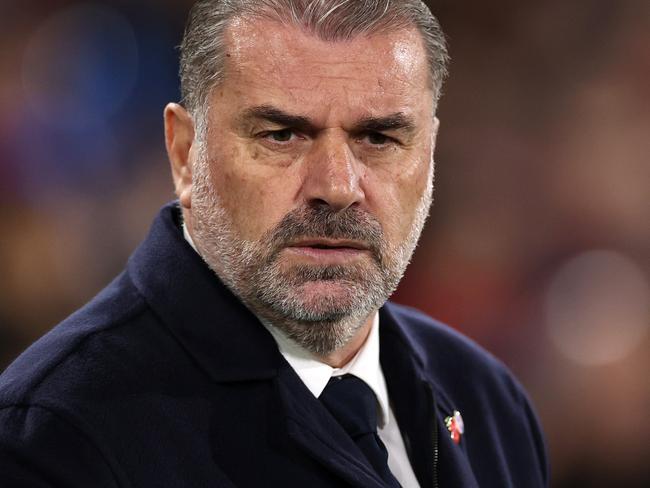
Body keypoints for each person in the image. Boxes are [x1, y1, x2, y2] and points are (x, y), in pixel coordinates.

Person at [0, 1, 548, 486]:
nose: (336, 188)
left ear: (428, 154)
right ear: (185, 154)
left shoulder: (487, 400)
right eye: (281, 134)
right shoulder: (55, 435)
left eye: (379, 138)